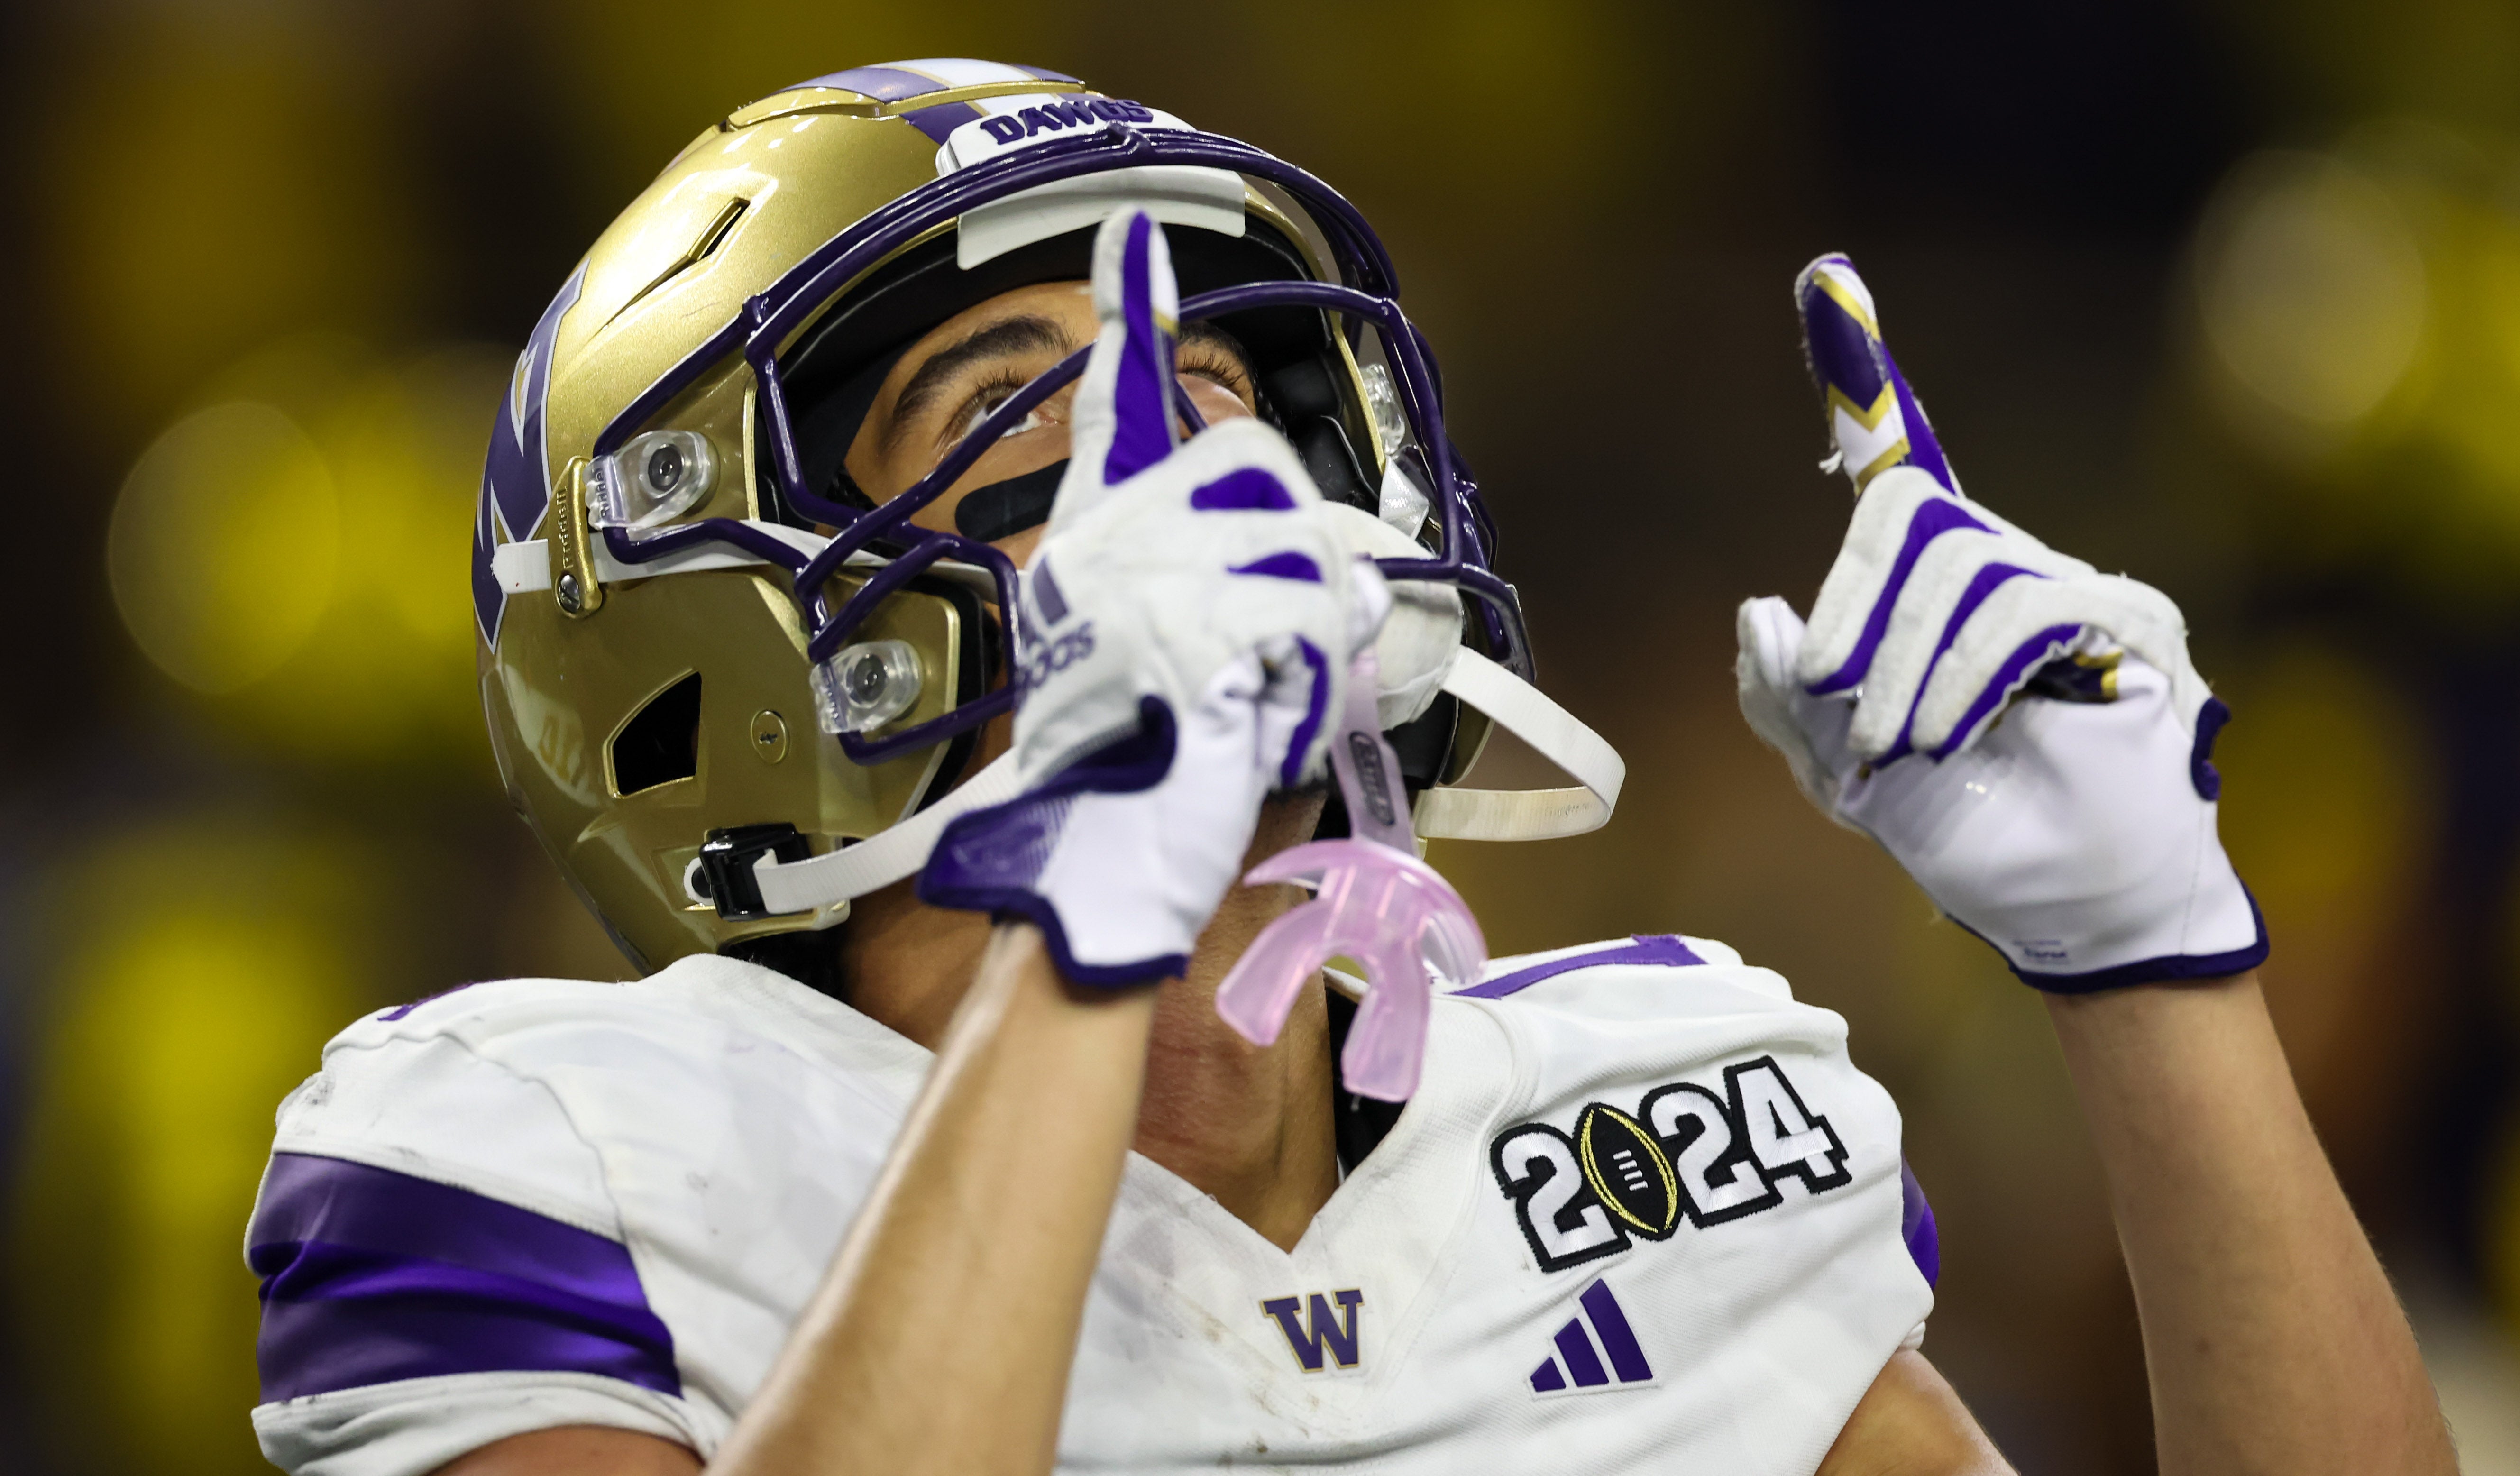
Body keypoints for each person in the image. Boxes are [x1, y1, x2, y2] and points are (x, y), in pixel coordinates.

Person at [243, 60, 2457, 1476]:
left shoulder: (1636, 1109)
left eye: (1225, 389)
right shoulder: (550, 1149)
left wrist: (2158, 982)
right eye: (1020, 409)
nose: (1190, 462)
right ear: (724, 652)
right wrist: (1083, 929)